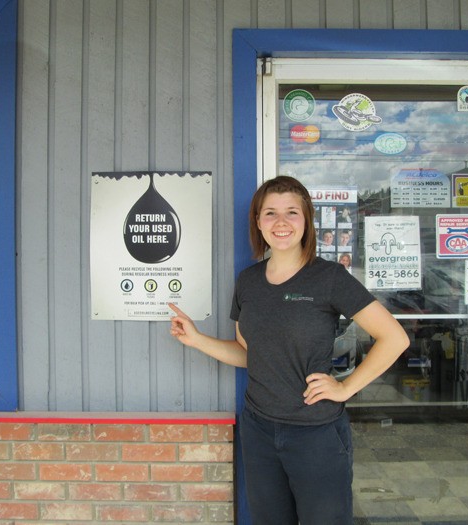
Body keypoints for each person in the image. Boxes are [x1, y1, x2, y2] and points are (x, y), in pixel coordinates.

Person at [168, 175, 409, 525]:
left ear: (307, 220)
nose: (281, 222)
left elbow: (395, 338)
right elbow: (250, 353)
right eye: (270, 213)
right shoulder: (248, 281)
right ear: (258, 222)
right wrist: (197, 339)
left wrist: (344, 386)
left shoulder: (328, 278)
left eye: (291, 212)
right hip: (259, 430)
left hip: (315, 435)